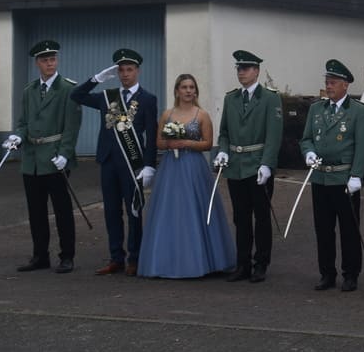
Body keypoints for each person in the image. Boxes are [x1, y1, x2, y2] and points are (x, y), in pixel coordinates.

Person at [138, 74, 236, 278]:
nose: (188, 91)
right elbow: (158, 142)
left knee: (194, 208)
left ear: (196, 91)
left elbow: (208, 144)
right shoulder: (167, 114)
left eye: (192, 87)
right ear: (177, 91)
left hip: (194, 167)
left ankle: (200, 260)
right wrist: (170, 143)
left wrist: (187, 143)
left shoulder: (202, 115)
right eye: (184, 87)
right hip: (171, 169)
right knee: (170, 210)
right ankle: (165, 261)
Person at [71, 48, 158, 276]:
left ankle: (135, 258)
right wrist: (97, 78)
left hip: (132, 162)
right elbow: (76, 95)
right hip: (108, 161)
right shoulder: (107, 97)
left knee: (134, 211)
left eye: (129, 70)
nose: (125, 74)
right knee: (111, 211)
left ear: (137, 71)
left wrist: (150, 165)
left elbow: (152, 134)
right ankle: (116, 258)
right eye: (121, 70)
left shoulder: (148, 99)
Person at [5, 40, 82, 274]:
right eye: (45, 60)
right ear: (37, 63)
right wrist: (17, 137)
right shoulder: (29, 90)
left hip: (55, 158)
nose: (50, 63)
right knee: (36, 212)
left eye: (53, 59)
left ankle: (67, 256)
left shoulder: (68, 89)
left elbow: (72, 126)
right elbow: (23, 123)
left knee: (62, 211)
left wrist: (65, 154)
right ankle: (40, 256)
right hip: (32, 160)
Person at [299, 59, 364, 292]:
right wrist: (309, 153)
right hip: (321, 178)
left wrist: (357, 175)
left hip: (344, 179)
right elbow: (306, 138)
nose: (329, 86)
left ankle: (350, 274)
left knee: (349, 229)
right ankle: (326, 273)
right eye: (327, 82)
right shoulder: (316, 109)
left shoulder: (359, 111)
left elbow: (363, 146)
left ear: (345, 85)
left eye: (333, 82)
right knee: (323, 229)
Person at [214, 50, 283, 283]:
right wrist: (223, 150)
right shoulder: (231, 98)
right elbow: (224, 132)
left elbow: (274, 135)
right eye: (239, 69)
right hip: (236, 166)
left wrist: (267, 164)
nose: (241, 72)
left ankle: (261, 263)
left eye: (245, 68)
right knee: (240, 218)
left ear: (256, 71)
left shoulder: (270, 98)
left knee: (262, 217)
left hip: (258, 165)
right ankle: (242, 263)